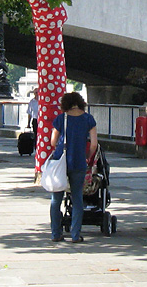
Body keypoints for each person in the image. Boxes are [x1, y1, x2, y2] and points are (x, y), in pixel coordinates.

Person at [48, 91, 98, 243]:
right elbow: (94, 143)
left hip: (61, 162)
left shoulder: (60, 118)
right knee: (77, 199)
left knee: (56, 199)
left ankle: (56, 233)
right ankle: (75, 235)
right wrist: (87, 156)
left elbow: (52, 141)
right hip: (78, 162)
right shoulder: (88, 119)